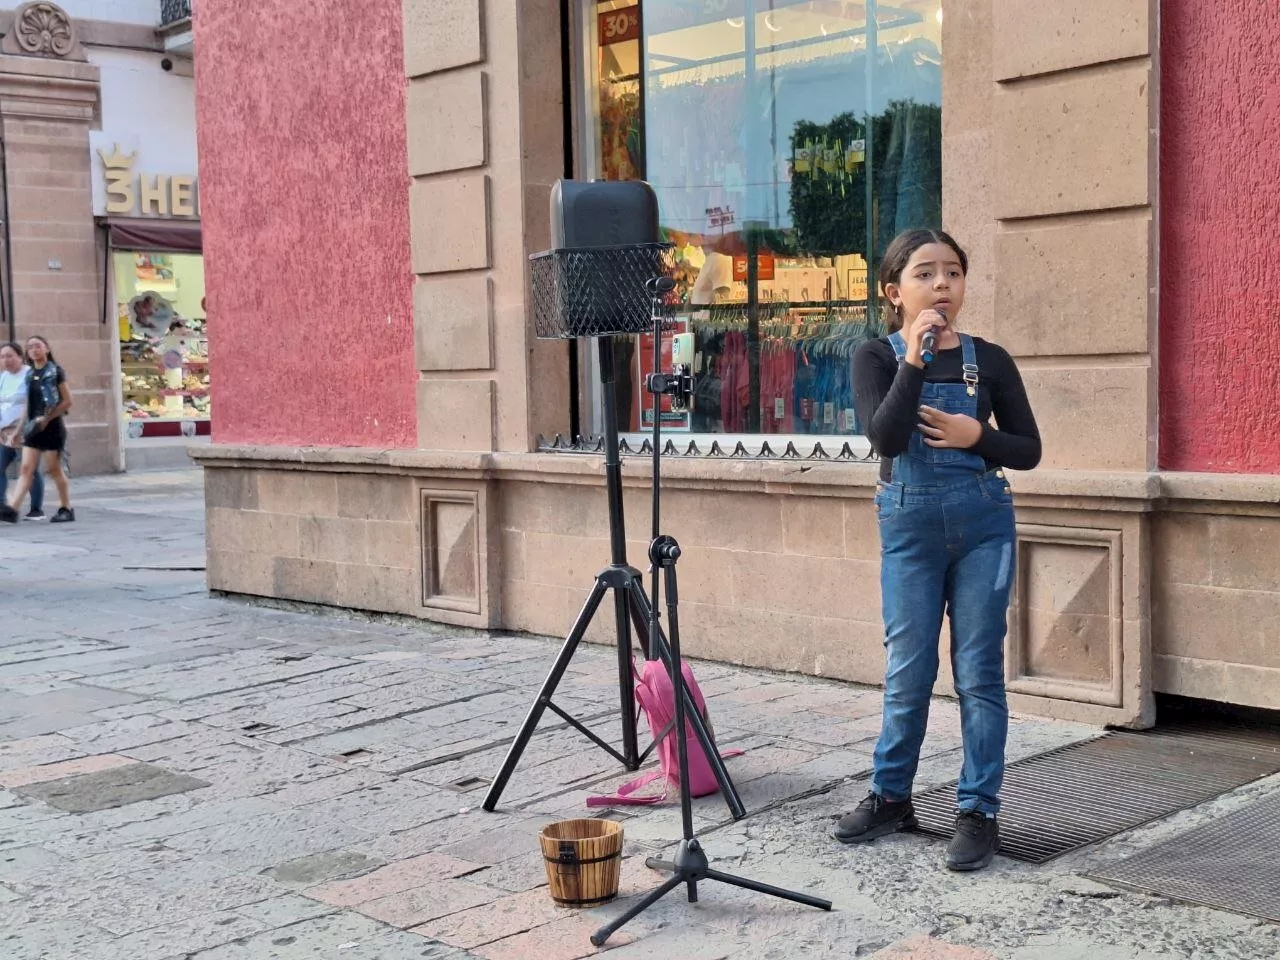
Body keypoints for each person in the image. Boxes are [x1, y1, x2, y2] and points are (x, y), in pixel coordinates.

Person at [834, 229, 1041, 871]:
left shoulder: (993, 360)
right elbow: (887, 438)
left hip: (983, 522)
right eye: (925, 274)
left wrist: (976, 433)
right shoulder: (875, 355)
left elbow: (1028, 450)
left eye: (953, 272)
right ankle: (892, 796)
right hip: (909, 525)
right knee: (909, 669)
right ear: (894, 292)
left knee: (979, 673)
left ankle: (978, 810)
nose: (942, 285)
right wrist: (917, 360)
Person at [1, 336, 73, 524]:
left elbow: (67, 402)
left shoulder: (55, 372)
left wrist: (48, 418)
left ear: (46, 349)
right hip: (32, 429)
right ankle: (12, 509)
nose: (34, 350)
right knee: (26, 469)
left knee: (54, 469)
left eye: (38, 346)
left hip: (52, 429)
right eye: (30, 347)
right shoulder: (29, 374)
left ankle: (66, 507)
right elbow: (28, 405)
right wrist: (18, 429)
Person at [0, 342, 45, 519]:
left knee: (29, 470)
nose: (6, 360)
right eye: (2, 357)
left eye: (10, 356)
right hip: (5, 432)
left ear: (20, 356)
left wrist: (19, 430)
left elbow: (31, 406)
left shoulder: (30, 375)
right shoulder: (3, 377)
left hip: (26, 431)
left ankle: (36, 509)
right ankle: (2, 507)